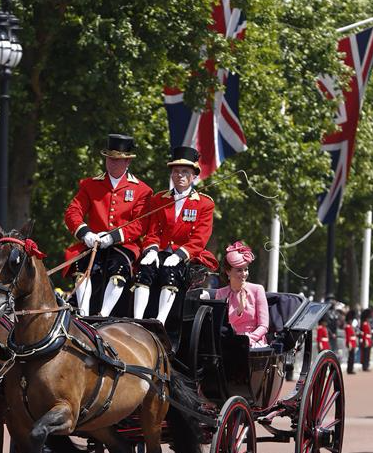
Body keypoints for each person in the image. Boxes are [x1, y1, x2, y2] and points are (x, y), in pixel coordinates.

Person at [63, 133, 153, 316]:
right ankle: (83, 313)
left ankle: (103, 315)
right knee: (81, 266)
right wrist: (85, 233)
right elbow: (72, 212)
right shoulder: (90, 185)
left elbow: (140, 224)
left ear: (127, 162)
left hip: (123, 245)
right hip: (93, 242)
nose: (112, 163)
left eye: (117, 160)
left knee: (118, 269)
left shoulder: (142, 190)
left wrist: (112, 237)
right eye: (109, 159)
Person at [133, 146, 217, 324]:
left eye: (185, 172)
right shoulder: (159, 199)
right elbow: (152, 231)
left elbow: (200, 238)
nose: (180, 175)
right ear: (172, 174)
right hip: (160, 251)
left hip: (186, 255)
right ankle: (137, 320)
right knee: (144, 271)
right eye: (176, 171)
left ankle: (160, 322)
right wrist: (152, 250)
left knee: (171, 272)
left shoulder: (205, 204)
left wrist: (180, 255)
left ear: (194, 176)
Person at [214, 242, 269, 348]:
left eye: (246, 269)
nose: (244, 274)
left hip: (253, 343)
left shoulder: (257, 290)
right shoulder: (220, 293)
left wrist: (248, 339)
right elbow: (220, 325)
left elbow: (264, 326)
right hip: (228, 343)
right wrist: (239, 310)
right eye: (239, 270)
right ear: (228, 272)